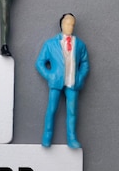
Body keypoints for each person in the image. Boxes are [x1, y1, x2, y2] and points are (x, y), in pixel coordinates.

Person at [36, 13, 90, 148]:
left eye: (72, 24)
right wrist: (49, 75)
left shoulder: (80, 45)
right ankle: (47, 135)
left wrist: (80, 77)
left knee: (72, 111)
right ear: (61, 24)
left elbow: (85, 63)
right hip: (56, 82)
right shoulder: (50, 44)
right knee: (52, 109)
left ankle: (72, 138)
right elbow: (40, 63)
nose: (70, 26)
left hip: (72, 82)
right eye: (67, 23)